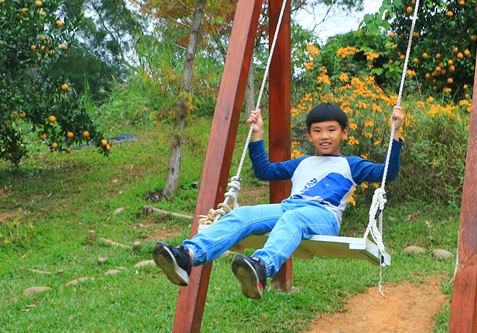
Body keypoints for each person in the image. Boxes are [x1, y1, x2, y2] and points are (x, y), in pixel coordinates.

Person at [153, 102, 405, 299]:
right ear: (309, 136)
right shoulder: (302, 162)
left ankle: (261, 268)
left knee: (293, 218)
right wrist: (258, 134)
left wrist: (396, 134)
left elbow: (387, 173)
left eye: (331, 130)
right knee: (243, 214)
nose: (324, 136)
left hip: (323, 216)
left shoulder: (351, 164)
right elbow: (264, 171)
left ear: (344, 133)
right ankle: (188, 256)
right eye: (317, 131)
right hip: (289, 208)